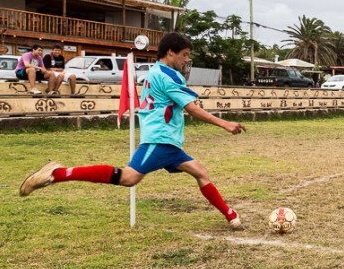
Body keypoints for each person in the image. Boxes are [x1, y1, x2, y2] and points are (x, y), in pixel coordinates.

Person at [19, 32, 247, 228]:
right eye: (184, 54)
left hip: (168, 140)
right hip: (160, 139)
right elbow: (192, 109)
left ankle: (230, 216)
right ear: (170, 52)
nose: (186, 60)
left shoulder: (155, 72)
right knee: (129, 177)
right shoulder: (167, 75)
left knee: (200, 172)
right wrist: (225, 124)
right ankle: (57, 174)